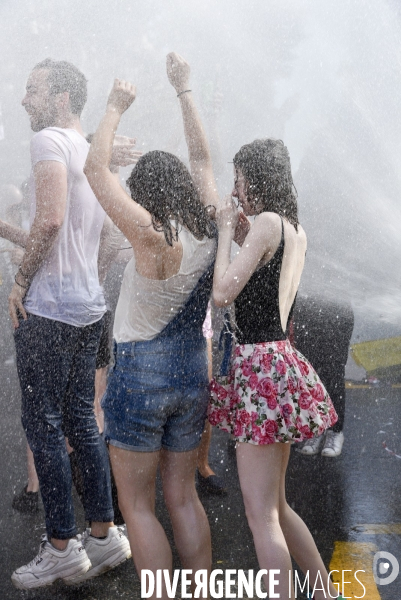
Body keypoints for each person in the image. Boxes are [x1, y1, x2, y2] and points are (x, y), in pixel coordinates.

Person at [84, 53, 218, 600]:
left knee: (137, 505)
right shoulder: (208, 226)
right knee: (182, 495)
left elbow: (95, 172)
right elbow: (203, 159)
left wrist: (114, 107)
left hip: (140, 376)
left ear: (145, 193)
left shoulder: (147, 234)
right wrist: (184, 89)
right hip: (191, 373)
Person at [9, 59, 131, 590]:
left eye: (32, 90)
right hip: (87, 309)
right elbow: (89, 239)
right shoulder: (91, 152)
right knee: (83, 421)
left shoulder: (49, 143)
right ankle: (104, 536)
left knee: (45, 426)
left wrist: (19, 284)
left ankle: (61, 544)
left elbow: (52, 221)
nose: (22, 100)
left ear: (60, 98)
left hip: (50, 311)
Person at [208, 139, 340, 599]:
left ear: (257, 178)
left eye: (240, 177)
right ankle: (323, 592)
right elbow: (263, 280)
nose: (236, 188)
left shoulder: (265, 223)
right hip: (280, 362)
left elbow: (222, 293)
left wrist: (227, 232)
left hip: (259, 367)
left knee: (260, 514)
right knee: (278, 508)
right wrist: (243, 236)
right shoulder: (291, 228)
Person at [293, 295, 354, 457]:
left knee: (333, 371)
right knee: (310, 371)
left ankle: (335, 431)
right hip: (305, 309)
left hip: (338, 311)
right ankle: (317, 429)